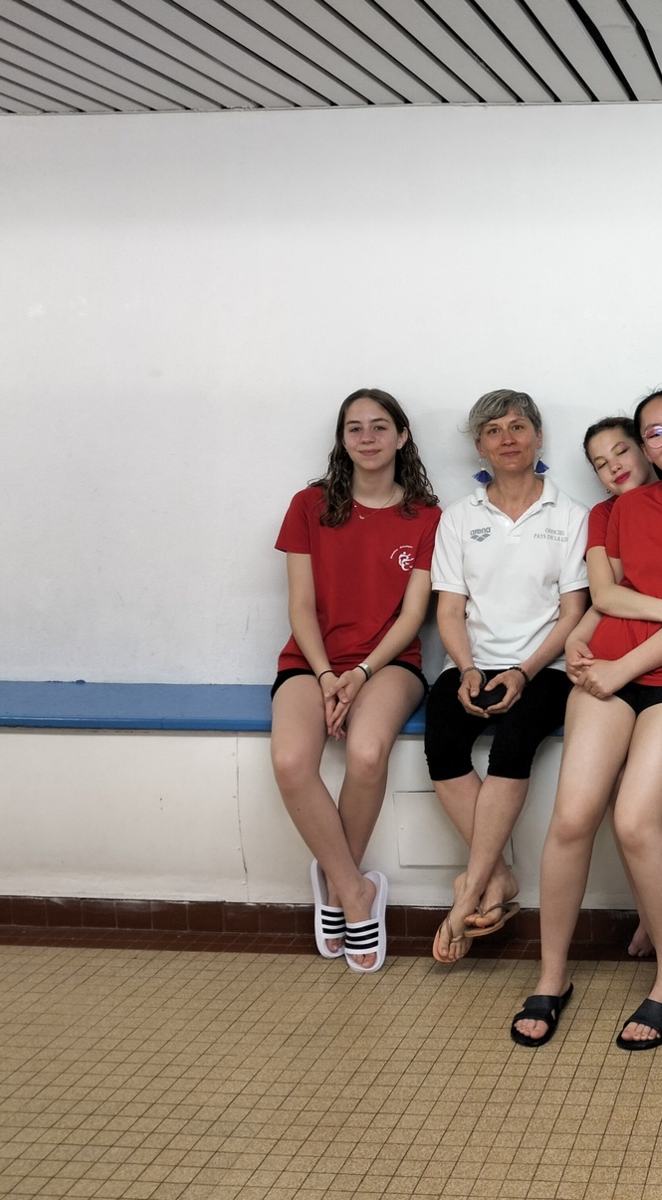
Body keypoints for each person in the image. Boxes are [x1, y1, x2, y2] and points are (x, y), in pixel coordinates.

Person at [511, 388, 662, 1051]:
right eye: (656, 431)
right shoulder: (623, 509)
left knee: (636, 818)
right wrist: (658, 623)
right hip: (605, 669)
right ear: (648, 449)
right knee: (571, 818)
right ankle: (552, 975)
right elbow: (611, 595)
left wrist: (629, 664)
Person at [270, 388, 440, 974]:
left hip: (389, 664)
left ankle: (338, 888)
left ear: (402, 436)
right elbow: (300, 605)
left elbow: (413, 616)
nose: (367, 438)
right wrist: (326, 676)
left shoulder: (428, 517)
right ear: (342, 440)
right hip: (310, 661)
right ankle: (354, 890)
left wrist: (360, 674)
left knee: (367, 752)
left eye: (379, 426)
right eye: (355, 428)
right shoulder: (309, 505)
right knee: (291, 761)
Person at [425, 390, 590, 964]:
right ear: (480, 447)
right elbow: (449, 610)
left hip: (547, 666)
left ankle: (470, 889)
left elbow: (573, 613)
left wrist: (523, 671)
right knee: (443, 741)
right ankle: (497, 875)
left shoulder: (570, 516)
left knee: (512, 745)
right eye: (493, 431)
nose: (507, 439)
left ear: (538, 437)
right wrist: (468, 669)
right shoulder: (459, 517)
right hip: (472, 661)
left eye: (518, 427)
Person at [582, 417, 662, 969]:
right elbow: (607, 594)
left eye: (620, 452)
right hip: (623, 659)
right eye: (600, 464)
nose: (614, 468)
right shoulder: (607, 515)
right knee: (626, 802)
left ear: (646, 451)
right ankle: (654, 918)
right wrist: (580, 637)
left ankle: (659, 923)